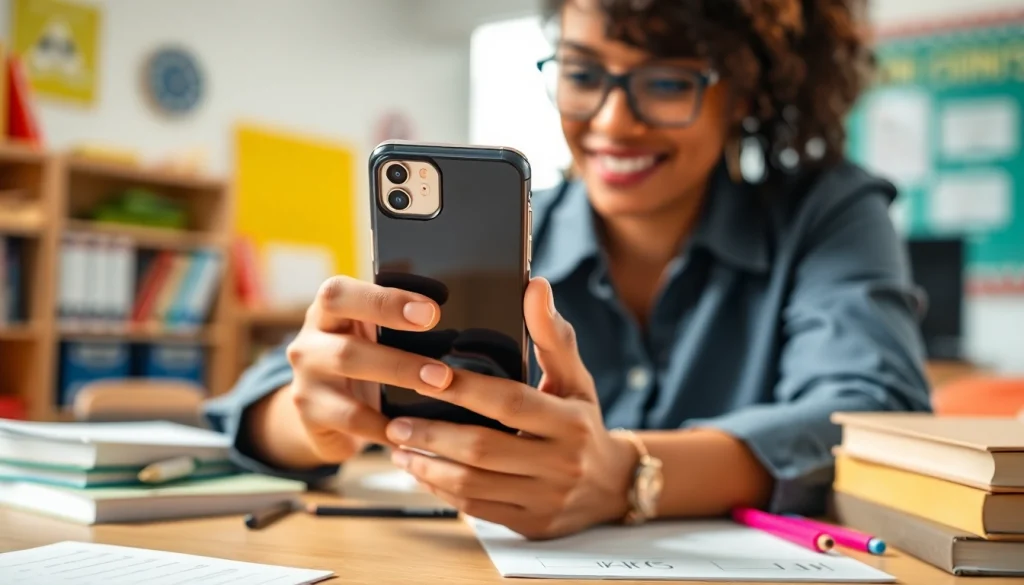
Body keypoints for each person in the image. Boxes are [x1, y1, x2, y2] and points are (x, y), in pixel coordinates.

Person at [204, 0, 932, 540]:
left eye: (668, 83)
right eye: (583, 74)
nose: (612, 122)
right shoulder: (507, 231)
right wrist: (314, 420)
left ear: (742, 91)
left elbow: (873, 413)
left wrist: (629, 472)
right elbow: (252, 406)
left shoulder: (827, 211)